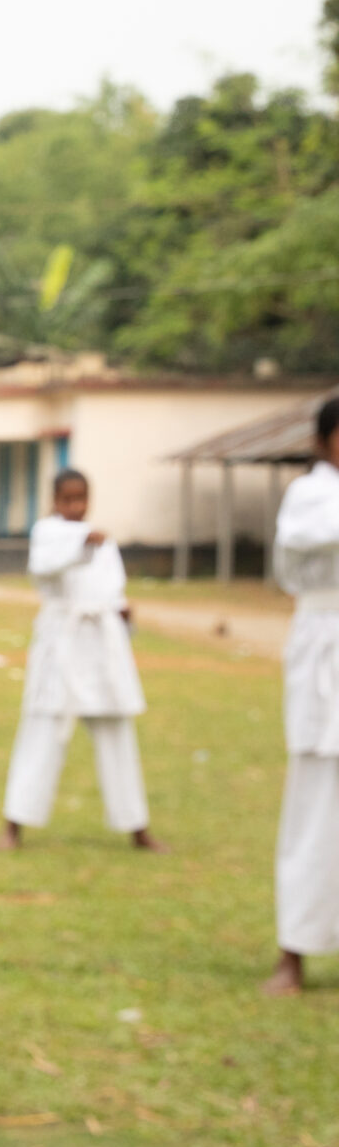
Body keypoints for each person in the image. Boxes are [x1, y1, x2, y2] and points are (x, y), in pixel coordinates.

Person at [0, 469, 160, 853]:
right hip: (62, 642)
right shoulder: (47, 533)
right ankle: (14, 824)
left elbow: (112, 590)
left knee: (117, 734)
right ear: (54, 501)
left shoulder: (104, 542)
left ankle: (136, 826)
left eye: (81, 498)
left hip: (101, 644)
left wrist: (122, 613)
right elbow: (45, 567)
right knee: (42, 731)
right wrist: (82, 543)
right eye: (67, 499)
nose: (75, 506)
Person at [265, 396, 339, 996]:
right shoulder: (308, 498)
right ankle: (294, 948)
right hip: (326, 649)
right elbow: (302, 545)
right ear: (323, 442)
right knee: (317, 801)